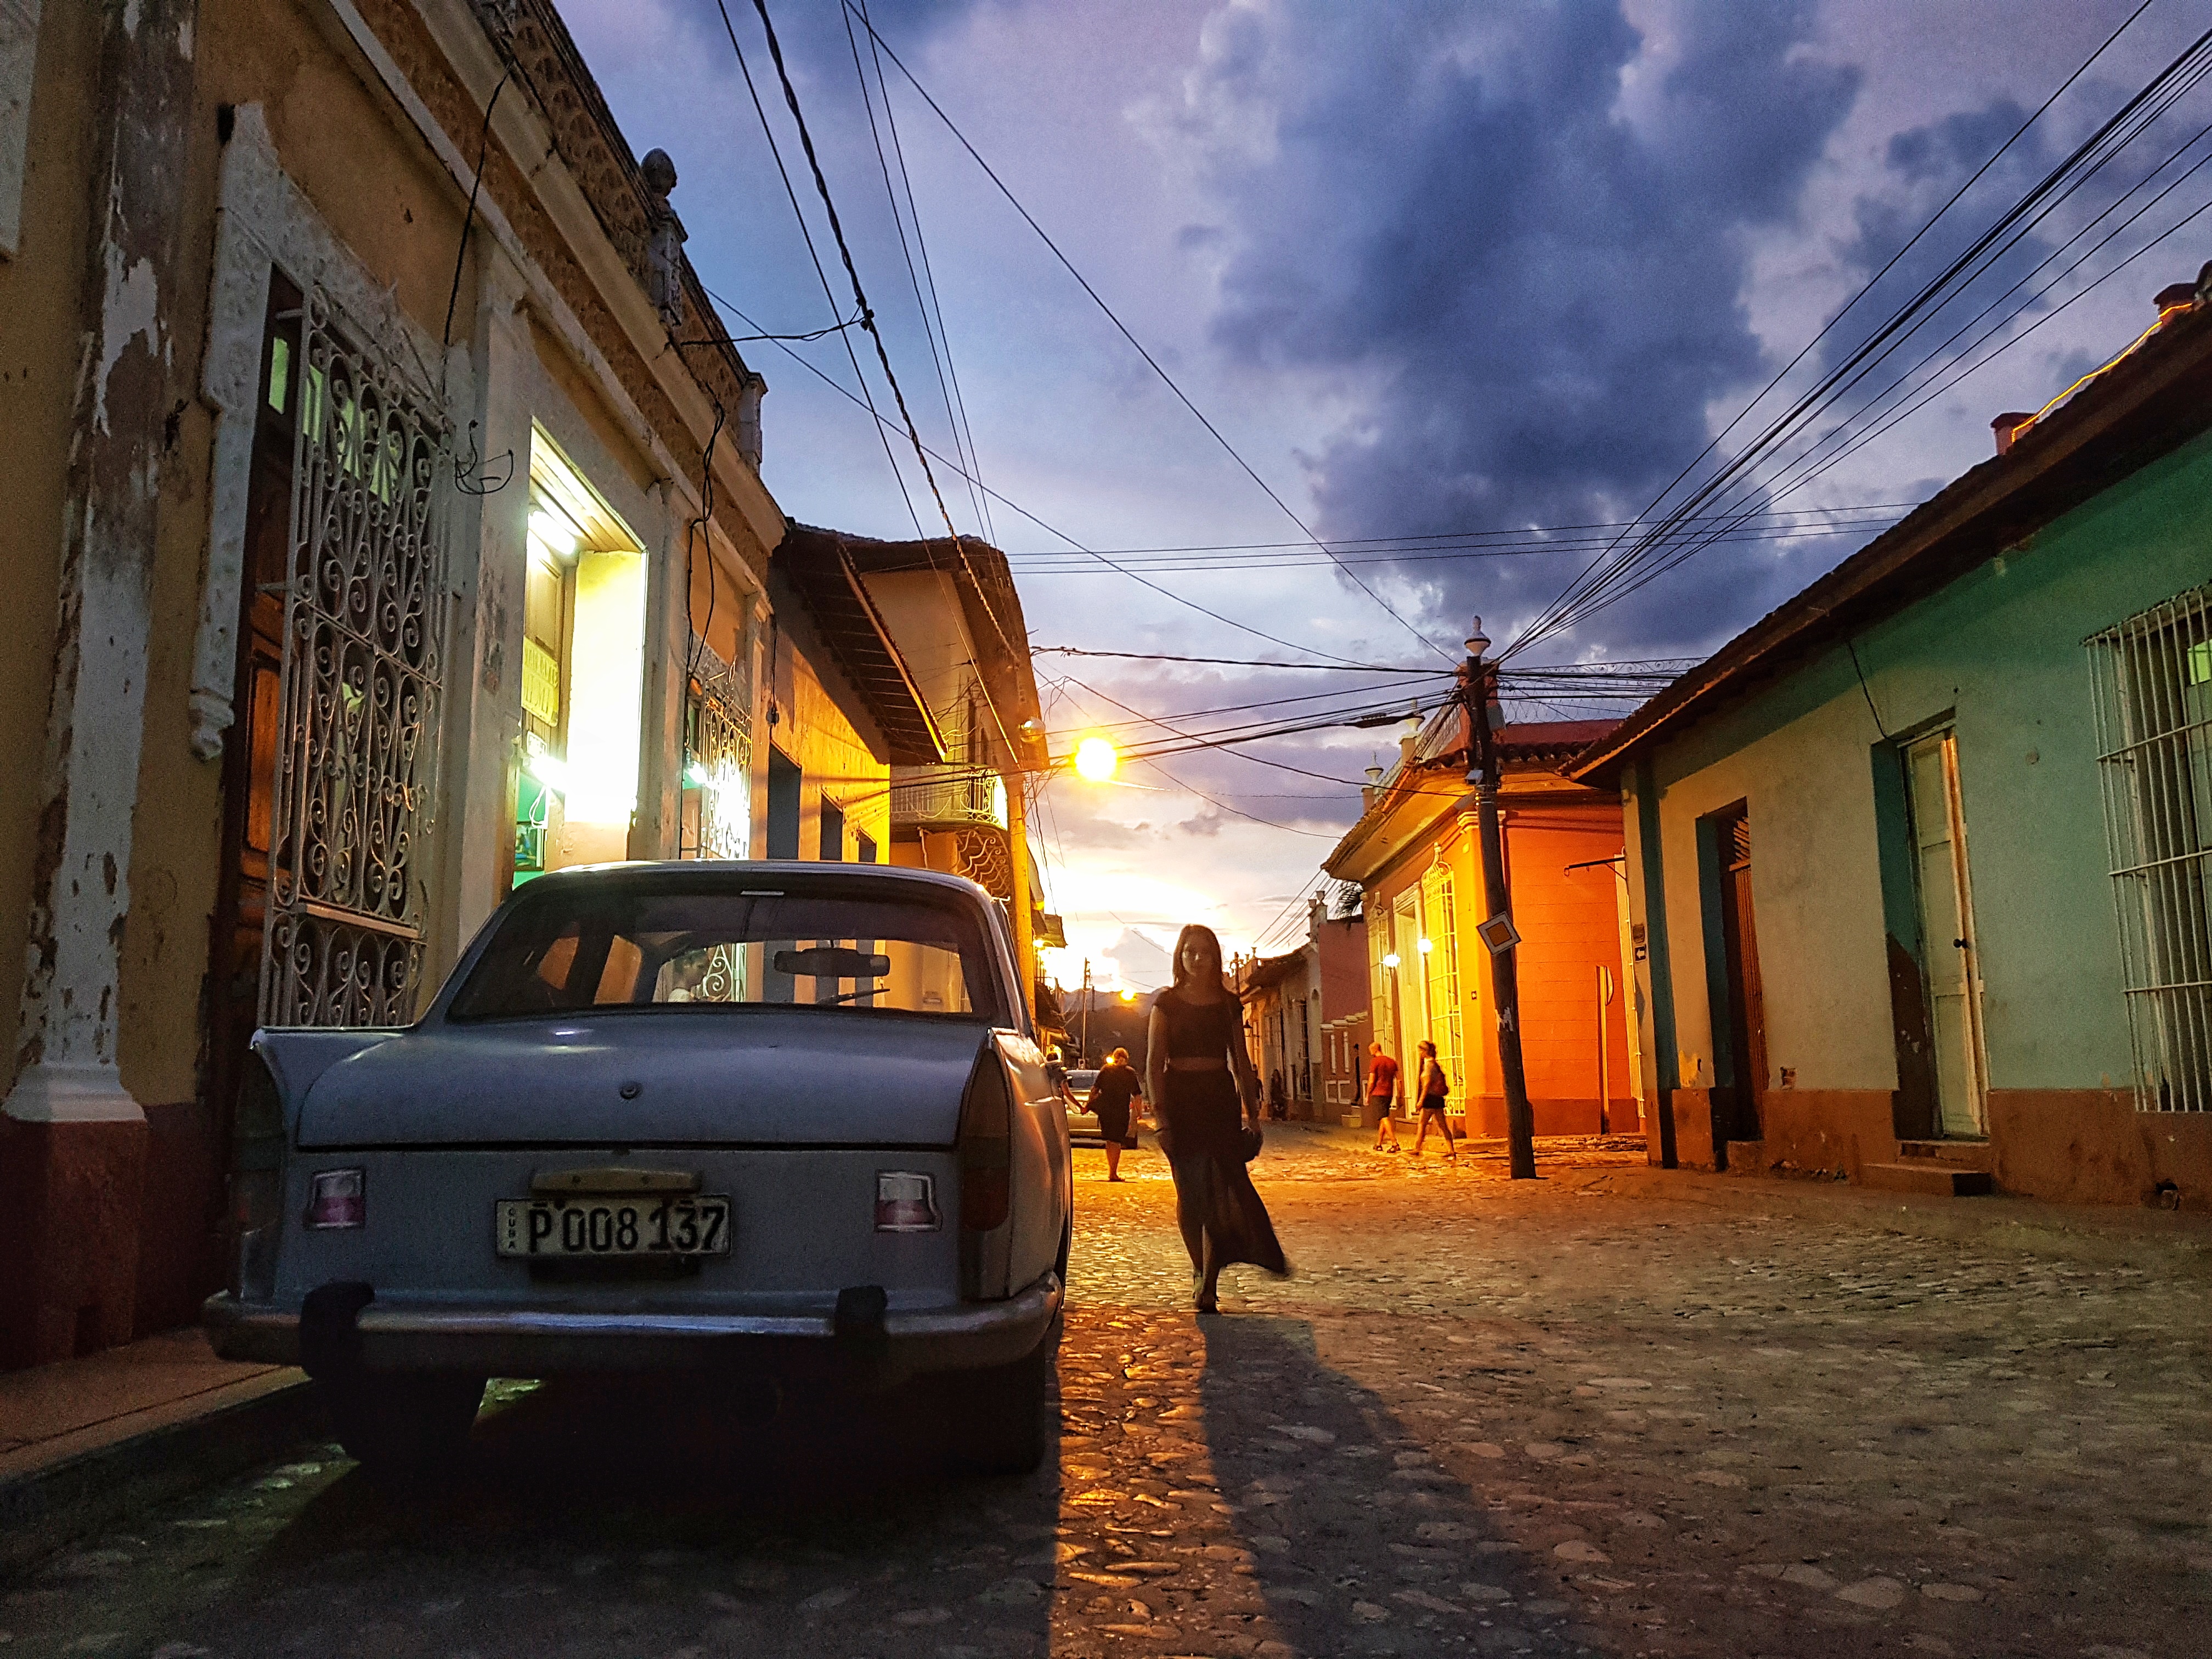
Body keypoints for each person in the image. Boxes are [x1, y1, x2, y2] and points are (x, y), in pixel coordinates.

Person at [1146, 924, 1289, 1313]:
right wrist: (1161, 1120)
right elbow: (1153, 1065)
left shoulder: (1229, 1004)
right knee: (1190, 1194)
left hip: (1219, 1100)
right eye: (1189, 951)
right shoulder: (1166, 1003)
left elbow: (1240, 1061)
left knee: (1221, 1190)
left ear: (1214, 957)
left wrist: (1253, 1114)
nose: (1196, 958)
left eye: (1203, 952)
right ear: (1180, 956)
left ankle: (1209, 1283)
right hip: (1180, 1101)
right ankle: (1198, 1269)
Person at [1088, 1047, 1143, 1182]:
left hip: (1105, 1110)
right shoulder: (1130, 1073)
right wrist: (1139, 1112)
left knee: (1110, 1140)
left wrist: (1089, 1105)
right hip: (1121, 1110)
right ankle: (1113, 1172)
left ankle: (1111, 1171)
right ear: (1126, 1058)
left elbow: (1094, 1090)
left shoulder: (1106, 1070)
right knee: (1117, 1141)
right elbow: (1137, 1095)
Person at [1411, 1039, 1459, 1160]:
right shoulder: (1435, 1064)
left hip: (1430, 1098)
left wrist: (1421, 1101)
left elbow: (1427, 1084)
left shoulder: (1428, 1065)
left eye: (1420, 1051)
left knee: (1422, 1123)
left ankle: (1417, 1148)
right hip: (1437, 1099)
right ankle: (1451, 1150)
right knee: (1442, 1125)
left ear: (1424, 1052)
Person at [1367, 1040, 1403, 1152]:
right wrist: (1400, 1095)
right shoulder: (1392, 1062)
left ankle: (1394, 1143)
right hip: (1389, 1093)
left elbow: (1372, 1080)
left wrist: (1368, 1094)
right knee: (1384, 1116)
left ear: (1374, 1050)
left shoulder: (1375, 1062)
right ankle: (1379, 1143)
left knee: (1384, 1118)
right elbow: (1399, 1080)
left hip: (1378, 1093)